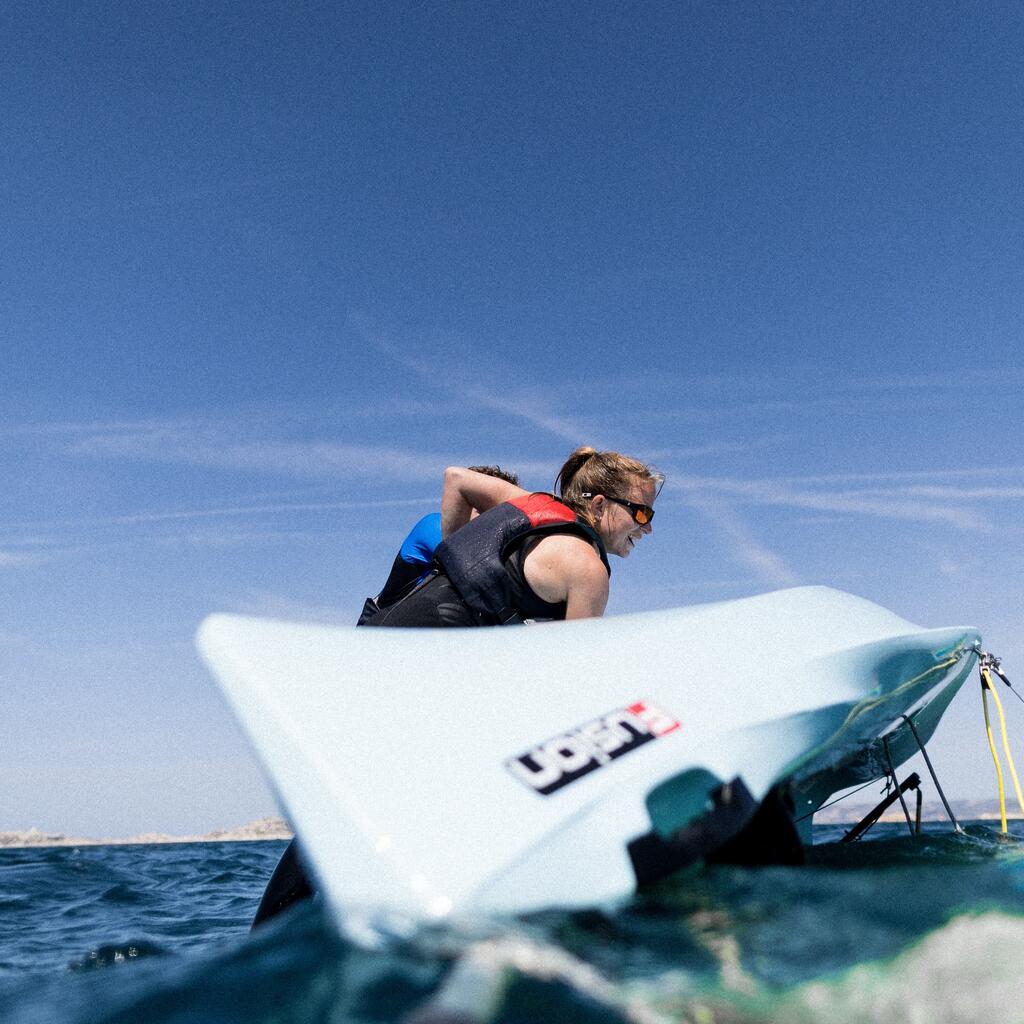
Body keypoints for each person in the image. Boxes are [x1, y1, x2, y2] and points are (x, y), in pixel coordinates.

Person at [364, 446, 661, 628]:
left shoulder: (533, 504)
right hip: (426, 651)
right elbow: (573, 671)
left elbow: (456, 477)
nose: (647, 527)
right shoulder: (588, 571)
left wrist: (458, 563)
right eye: (642, 513)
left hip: (391, 629)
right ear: (598, 505)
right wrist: (459, 563)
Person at [357, 465, 519, 625]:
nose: (493, 519)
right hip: (380, 630)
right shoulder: (434, 525)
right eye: (484, 509)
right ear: (465, 501)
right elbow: (474, 561)